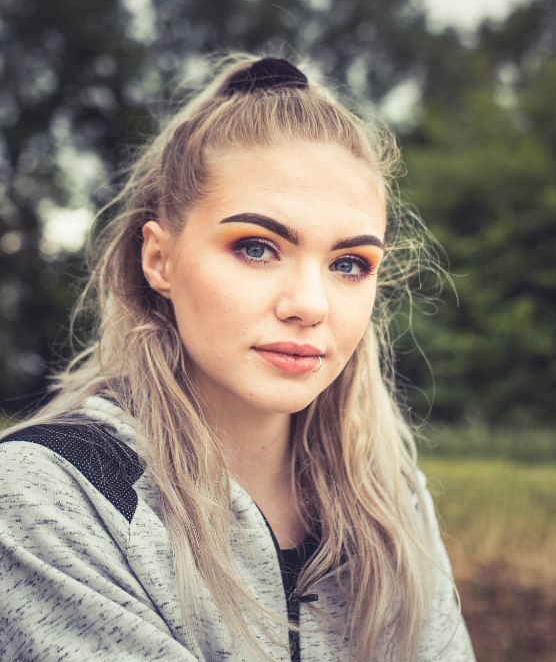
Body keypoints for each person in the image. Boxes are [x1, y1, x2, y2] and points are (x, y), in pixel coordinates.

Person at [0, 56, 474, 661]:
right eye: (256, 248)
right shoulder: (45, 497)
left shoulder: (393, 502)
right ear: (160, 260)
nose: (310, 305)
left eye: (349, 264)